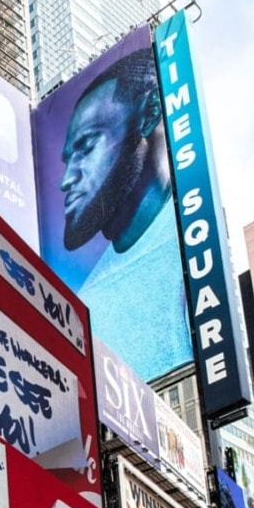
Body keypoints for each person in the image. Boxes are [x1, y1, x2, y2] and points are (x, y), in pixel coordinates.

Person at [59, 46, 192, 380]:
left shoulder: (192, 249)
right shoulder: (83, 300)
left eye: (86, 146)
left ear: (148, 114)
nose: (65, 180)